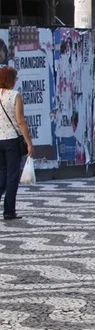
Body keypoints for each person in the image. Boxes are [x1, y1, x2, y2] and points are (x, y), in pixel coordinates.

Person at [0, 67, 33, 220]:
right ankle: (9, 210)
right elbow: (20, 121)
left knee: (2, 174)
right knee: (12, 176)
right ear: (11, 79)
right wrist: (29, 143)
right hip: (12, 140)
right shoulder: (15, 96)